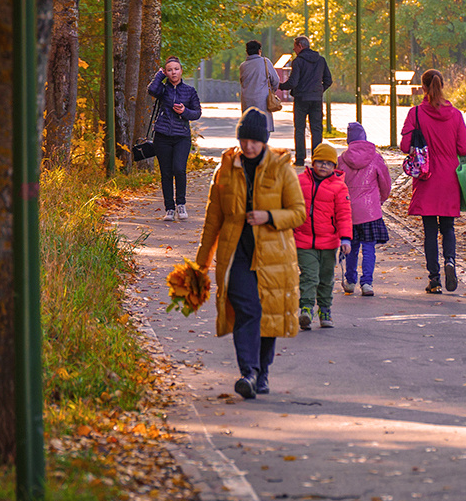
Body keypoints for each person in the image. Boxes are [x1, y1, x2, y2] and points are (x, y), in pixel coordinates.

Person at [195, 108, 306, 399]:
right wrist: (200, 265)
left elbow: (298, 213)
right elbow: (212, 220)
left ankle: (262, 372)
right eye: (244, 140)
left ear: (264, 141)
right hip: (237, 255)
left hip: (273, 255)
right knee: (248, 311)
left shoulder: (281, 168)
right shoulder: (225, 169)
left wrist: (269, 216)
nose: (248, 146)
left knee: (267, 315)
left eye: (254, 141)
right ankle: (248, 372)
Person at [399, 69, 466, 294]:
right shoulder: (456, 115)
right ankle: (450, 261)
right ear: (443, 85)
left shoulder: (416, 114)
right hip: (450, 177)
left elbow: (404, 147)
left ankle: (434, 279)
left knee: (429, 230)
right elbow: (464, 148)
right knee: (448, 227)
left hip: (427, 176)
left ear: (423, 87)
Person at [294, 143, 352, 329]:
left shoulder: (339, 187)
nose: (323, 166)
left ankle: (325, 309)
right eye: (320, 162)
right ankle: (306, 309)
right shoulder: (300, 182)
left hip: (329, 241)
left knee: (326, 277)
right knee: (309, 276)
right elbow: (289, 205)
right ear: (313, 162)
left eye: (328, 163)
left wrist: (345, 238)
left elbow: (344, 214)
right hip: (303, 239)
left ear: (334, 167)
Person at [339, 122, 391, 296]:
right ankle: (367, 282)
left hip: (349, 211)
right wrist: (381, 199)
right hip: (370, 211)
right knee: (369, 248)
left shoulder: (342, 159)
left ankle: (350, 280)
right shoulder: (375, 157)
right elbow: (385, 182)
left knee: (351, 248)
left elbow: (337, 184)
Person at [148, 56, 202, 221]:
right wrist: (159, 76)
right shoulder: (163, 89)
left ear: (181, 71)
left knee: (179, 169)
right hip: (162, 136)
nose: (173, 72)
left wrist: (184, 111)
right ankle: (169, 209)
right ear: (166, 72)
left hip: (182, 137)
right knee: (166, 173)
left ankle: (181, 204)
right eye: (169, 70)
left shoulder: (190, 91)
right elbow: (151, 90)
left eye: (176, 69)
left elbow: (197, 113)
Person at [285, 35, 333, 166]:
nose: (294, 49)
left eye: (295, 47)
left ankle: (300, 159)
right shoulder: (321, 60)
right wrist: (318, 90)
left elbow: (293, 82)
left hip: (301, 99)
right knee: (316, 129)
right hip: (316, 99)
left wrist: (279, 86)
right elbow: (328, 80)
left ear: (300, 46)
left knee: (300, 128)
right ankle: (317, 158)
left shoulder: (298, 61)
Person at [239, 40, 281, 132]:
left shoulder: (243, 66)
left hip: (247, 100)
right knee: (263, 126)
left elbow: (242, 81)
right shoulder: (265, 62)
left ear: (247, 52)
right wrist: (272, 90)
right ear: (259, 51)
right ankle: (261, 145)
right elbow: (276, 80)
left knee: (249, 125)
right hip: (262, 99)